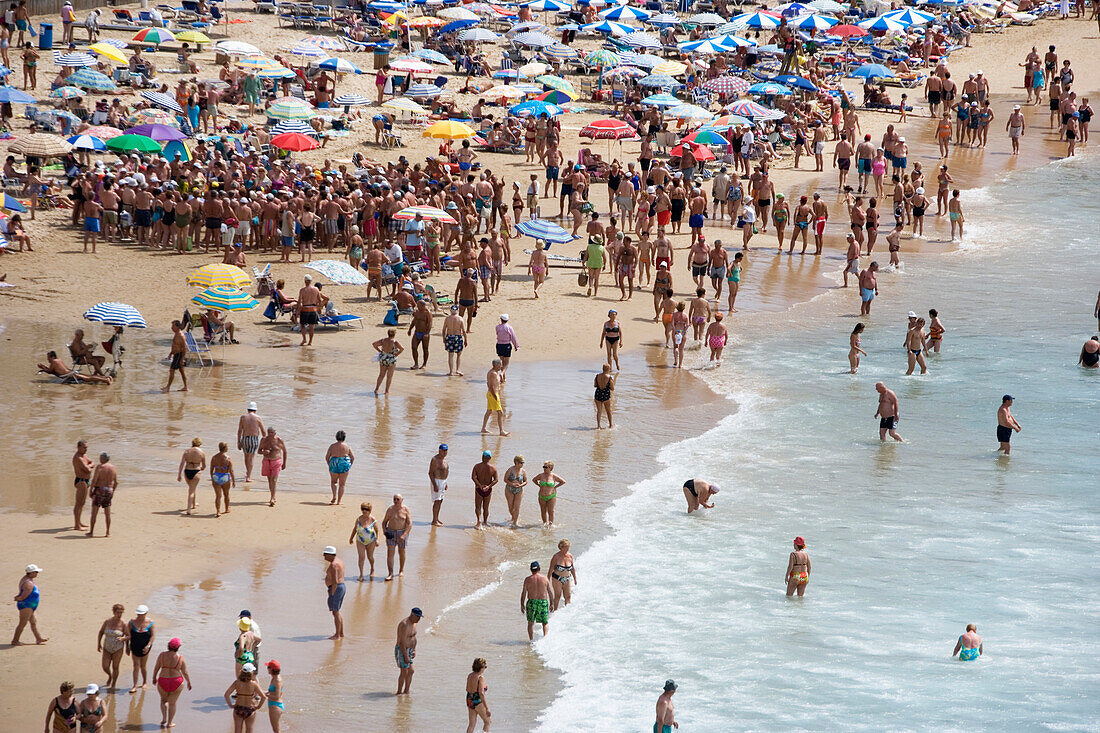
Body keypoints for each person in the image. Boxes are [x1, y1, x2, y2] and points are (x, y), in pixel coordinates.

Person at [153, 637, 191, 728]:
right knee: (172, 703)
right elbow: (185, 672)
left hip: (163, 680)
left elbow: (156, 667)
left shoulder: (162, 655)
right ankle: (170, 723)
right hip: (176, 681)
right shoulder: (180, 657)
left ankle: (164, 718)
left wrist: (154, 678)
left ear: (168, 646)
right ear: (178, 647)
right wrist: (189, 682)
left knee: (163, 700)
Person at [224, 663, 266, 732]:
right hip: (250, 708)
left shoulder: (237, 682)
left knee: (237, 729)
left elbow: (226, 694)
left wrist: (230, 705)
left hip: (238, 708)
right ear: (251, 672)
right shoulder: (254, 684)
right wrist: (258, 706)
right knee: (249, 729)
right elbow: (263, 697)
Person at [12, 563, 46, 645]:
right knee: (22, 623)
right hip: (26, 605)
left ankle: (38, 638)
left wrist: (18, 597)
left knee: (33, 622)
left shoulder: (27, 579)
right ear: (31, 573)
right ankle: (15, 641)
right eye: (36, 572)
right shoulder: (28, 584)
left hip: (30, 606)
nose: (37, 574)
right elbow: (23, 596)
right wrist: (18, 598)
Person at [96, 603, 128, 690]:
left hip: (118, 648)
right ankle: (110, 676)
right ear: (114, 612)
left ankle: (113, 684)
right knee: (105, 666)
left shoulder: (123, 623)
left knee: (115, 667)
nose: (119, 615)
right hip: (107, 647)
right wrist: (98, 643)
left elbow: (129, 636)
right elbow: (101, 632)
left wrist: (123, 638)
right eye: (118, 612)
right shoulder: (107, 621)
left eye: (121, 612)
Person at [87, 452, 117, 538]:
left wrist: (91, 490)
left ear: (103, 459)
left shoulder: (100, 467)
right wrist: (112, 491)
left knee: (94, 512)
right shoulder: (113, 468)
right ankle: (107, 532)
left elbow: (94, 480)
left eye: (100, 458)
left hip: (99, 490)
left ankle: (91, 532)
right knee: (107, 512)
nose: (99, 459)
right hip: (108, 490)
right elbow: (116, 482)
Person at [382, 493, 412, 580]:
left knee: (401, 552)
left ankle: (401, 570)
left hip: (402, 533)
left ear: (402, 500)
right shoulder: (390, 509)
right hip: (391, 532)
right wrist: (385, 531)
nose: (395, 501)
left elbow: (409, 524)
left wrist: (404, 535)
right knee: (390, 553)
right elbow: (384, 522)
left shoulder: (405, 510)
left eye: (397, 499)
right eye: (394, 499)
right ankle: (390, 573)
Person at [520, 561, 551, 641]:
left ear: (531, 570)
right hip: (542, 602)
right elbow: (550, 592)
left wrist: (522, 604)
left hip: (531, 603)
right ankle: (545, 639)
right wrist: (552, 604)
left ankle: (531, 640)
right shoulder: (545, 578)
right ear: (539, 569)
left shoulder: (527, 580)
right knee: (545, 622)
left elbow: (524, 593)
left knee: (530, 623)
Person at [395, 608, 423, 695]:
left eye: (420, 617)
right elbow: (401, 642)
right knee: (404, 672)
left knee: (411, 671)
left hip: (410, 650)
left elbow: (413, 637)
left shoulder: (414, 623)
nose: (419, 619)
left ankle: (406, 691)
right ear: (412, 615)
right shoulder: (404, 624)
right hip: (402, 649)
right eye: (417, 617)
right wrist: (405, 656)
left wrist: (414, 650)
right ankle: (399, 692)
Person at [349, 502, 379, 581]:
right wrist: (351, 538)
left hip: (371, 541)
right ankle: (361, 575)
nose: (364, 511)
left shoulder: (372, 519)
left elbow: (377, 530)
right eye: (363, 509)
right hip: (360, 540)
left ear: (370, 510)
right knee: (361, 557)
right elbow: (355, 529)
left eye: (366, 509)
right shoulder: (359, 519)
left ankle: (372, 569)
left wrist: (377, 539)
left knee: (370, 557)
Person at [128, 604, 154, 692]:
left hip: (145, 647)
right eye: (138, 614)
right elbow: (128, 635)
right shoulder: (131, 622)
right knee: (136, 666)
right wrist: (127, 647)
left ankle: (144, 682)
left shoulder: (150, 622)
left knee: (143, 666)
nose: (140, 616)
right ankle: (134, 685)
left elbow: (153, 636)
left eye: (142, 614)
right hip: (134, 645)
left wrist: (148, 646)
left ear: (146, 613)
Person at [237, 402, 265, 483]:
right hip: (254, 439)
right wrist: (264, 442)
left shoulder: (243, 417)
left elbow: (240, 430)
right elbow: (263, 431)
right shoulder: (258, 418)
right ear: (255, 410)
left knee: (246, 457)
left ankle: (247, 472)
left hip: (245, 438)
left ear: (248, 409)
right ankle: (248, 476)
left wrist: (238, 441)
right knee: (251, 457)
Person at [258, 428, 287, 507]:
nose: (270, 434)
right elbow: (259, 451)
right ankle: (273, 495)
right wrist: (264, 452)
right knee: (269, 480)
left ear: (275, 433)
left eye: (272, 432)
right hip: (266, 460)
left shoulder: (279, 440)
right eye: (269, 432)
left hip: (276, 461)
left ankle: (272, 498)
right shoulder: (264, 440)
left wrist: (284, 463)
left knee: (273, 480)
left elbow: (285, 451)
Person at [177, 437, 206, 516]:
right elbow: (204, 466)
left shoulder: (187, 451)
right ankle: (189, 509)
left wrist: (179, 475)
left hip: (187, 471)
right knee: (191, 491)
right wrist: (201, 468)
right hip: (196, 471)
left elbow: (182, 464)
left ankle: (193, 504)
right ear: (199, 444)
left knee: (192, 488)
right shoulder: (202, 453)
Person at [325, 431, 355, 505]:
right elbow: (352, 457)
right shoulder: (347, 446)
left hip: (334, 463)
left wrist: (329, 464)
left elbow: (327, 457)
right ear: (344, 438)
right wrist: (349, 466)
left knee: (333, 482)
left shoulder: (332, 446)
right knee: (342, 484)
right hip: (344, 463)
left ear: (336, 437)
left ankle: (334, 496)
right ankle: (339, 501)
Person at [322, 546, 345, 640]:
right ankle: (341, 633)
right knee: (337, 611)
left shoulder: (334, 565)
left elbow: (335, 581)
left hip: (336, 588)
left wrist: (332, 593)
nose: (324, 557)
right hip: (341, 587)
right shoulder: (339, 561)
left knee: (335, 612)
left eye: (325, 554)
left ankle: (337, 635)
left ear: (330, 555)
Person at [482, 358, 509, 436]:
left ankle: (483, 428)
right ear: (496, 365)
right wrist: (495, 396)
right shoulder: (493, 373)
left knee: (489, 411)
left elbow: (489, 384)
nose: (501, 366)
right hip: (493, 394)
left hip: (491, 394)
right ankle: (501, 431)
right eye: (500, 364)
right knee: (500, 412)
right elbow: (491, 386)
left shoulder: (494, 372)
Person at [533, 460, 565, 527]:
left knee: (551, 511)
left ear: (550, 468)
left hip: (551, 496)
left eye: (546, 467)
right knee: (543, 511)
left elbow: (563, 481)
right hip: (542, 496)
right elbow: (534, 480)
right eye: (543, 467)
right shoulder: (541, 475)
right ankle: (544, 524)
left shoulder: (553, 476)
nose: (544, 468)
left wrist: (555, 487)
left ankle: (550, 526)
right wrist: (539, 485)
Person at [472, 450, 499, 529]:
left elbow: (473, 477)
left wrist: (480, 485)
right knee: (486, 507)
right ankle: (485, 522)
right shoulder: (493, 468)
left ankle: (479, 521)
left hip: (478, 489)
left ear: (482, 456)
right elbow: (496, 480)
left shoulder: (477, 466)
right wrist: (488, 486)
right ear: (490, 458)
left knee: (478, 507)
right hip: (488, 490)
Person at [372, 329, 403, 395]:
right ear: (394, 334)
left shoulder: (383, 340)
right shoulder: (395, 342)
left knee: (381, 374)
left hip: (383, 358)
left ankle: (376, 389)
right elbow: (402, 348)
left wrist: (379, 351)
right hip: (391, 359)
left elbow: (374, 344)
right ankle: (386, 391)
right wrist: (397, 354)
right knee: (389, 376)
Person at [549, 539, 577, 611]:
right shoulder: (556, 557)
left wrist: (575, 579)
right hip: (557, 578)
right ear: (561, 547)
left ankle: (567, 613)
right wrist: (547, 581)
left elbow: (572, 568)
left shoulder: (570, 556)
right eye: (565, 547)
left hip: (567, 578)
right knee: (558, 596)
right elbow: (551, 569)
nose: (567, 549)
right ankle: (554, 612)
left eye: (568, 547)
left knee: (568, 596)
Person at [465, 657, 491, 733]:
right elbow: (481, 693)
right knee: (487, 722)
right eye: (484, 667)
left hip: (469, 699)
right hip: (477, 700)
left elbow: (467, 689)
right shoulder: (480, 677)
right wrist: (487, 708)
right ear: (481, 667)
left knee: (472, 724)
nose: (484, 669)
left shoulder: (470, 675)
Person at [210, 442, 235, 517]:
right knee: (226, 494)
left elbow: (211, 470)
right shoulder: (228, 458)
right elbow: (231, 471)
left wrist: (212, 478)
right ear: (225, 448)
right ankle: (227, 509)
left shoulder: (214, 457)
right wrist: (233, 480)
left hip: (216, 476)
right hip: (225, 477)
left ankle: (218, 511)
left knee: (218, 495)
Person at [427, 443, 450, 527]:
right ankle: (434, 520)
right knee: (437, 501)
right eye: (443, 450)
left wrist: (446, 483)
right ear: (439, 450)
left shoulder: (445, 460)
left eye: (446, 450)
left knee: (440, 501)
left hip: (443, 481)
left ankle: (437, 518)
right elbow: (430, 473)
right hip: (436, 481)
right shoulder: (435, 459)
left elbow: (446, 471)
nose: (445, 452)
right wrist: (435, 485)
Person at [162, 320, 188, 392]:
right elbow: (175, 346)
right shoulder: (176, 334)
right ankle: (185, 387)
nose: (171, 328)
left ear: (177, 326)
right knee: (182, 371)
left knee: (172, 370)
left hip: (179, 355)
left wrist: (182, 359)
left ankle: (168, 387)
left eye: (173, 326)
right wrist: (170, 354)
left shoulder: (181, 335)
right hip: (176, 354)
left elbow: (184, 348)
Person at [442, 305, 468, 377]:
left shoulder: (447, 318)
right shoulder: (460, 319)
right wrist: (466, 340)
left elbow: (444, 330)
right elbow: (463, 331)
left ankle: (451, 372)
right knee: (459, 354)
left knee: (450, 355)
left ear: (450, 311)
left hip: (449, 337)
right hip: (457, 337)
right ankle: (458, 369)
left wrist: (444, 338)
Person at [72, 440, 93, 530]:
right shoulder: (78, 458)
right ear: (79, 447)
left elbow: (92, 462)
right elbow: (87, 470)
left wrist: (90, 465)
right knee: (78, 503)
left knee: (82, 503)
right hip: (81, 481)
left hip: (85, 480)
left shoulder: (84, 456)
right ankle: (77, 525)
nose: (86, 449)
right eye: (84, 447)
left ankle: (79, 522)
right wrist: (90, 467)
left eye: (86, 447)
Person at [503, 455, 527, 529]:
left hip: (519, 490)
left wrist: (521, 485)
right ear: (516, 462)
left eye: (523, 463)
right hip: (509, 489)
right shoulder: (510, 469)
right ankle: (513, 518)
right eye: (521, 462)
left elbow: (526, 481)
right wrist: (512, 484)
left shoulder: (523, 471)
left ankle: (515, 523)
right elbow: (505, 479)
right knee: (511, 507)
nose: (522, 464)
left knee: (517, 507)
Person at [594, 363, 615, 429]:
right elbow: (612, 388)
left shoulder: (597, 376)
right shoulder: (609, 377)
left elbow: (595, 385)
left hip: (598, 394)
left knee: (599, 411)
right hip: (606, 395)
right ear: (609, 369)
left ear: (602, 369)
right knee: (608, 411)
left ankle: (598, 425)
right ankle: (610, 425)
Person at [266, 660, 284, 733]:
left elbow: (277, 696)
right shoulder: (274, 678)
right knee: (276, 729)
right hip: (273, 705)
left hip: (275, 706)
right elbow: (272, 692)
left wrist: (266, 695)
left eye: (268, 667)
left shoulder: (277, 680)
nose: (267, 669)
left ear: (271, 669)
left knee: (276, 730)